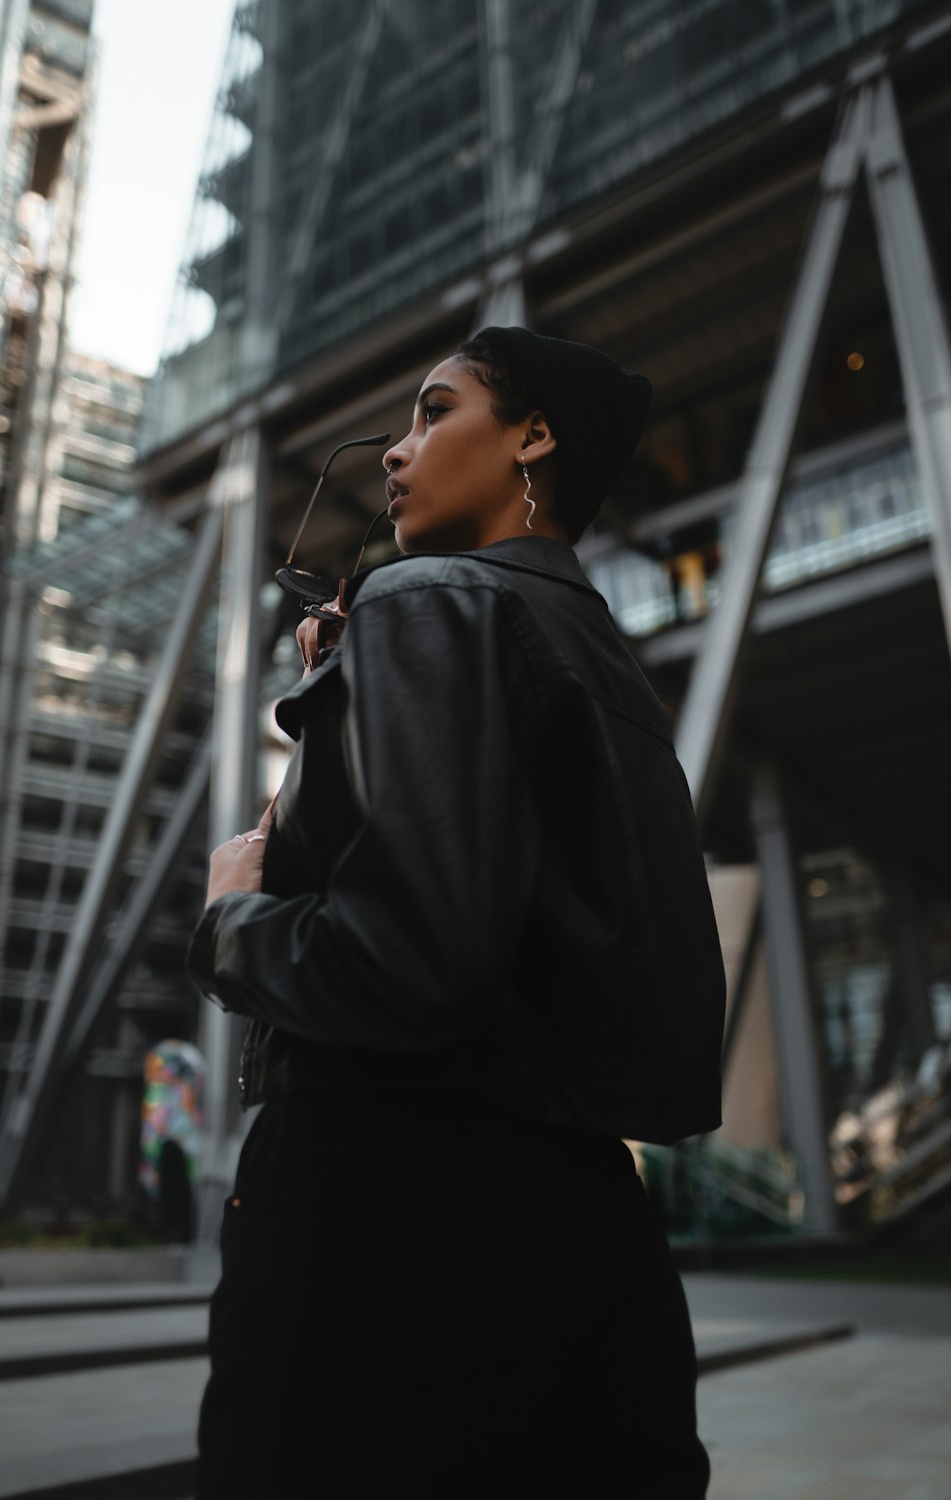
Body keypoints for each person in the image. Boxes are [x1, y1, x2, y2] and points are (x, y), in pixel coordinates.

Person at [187, 325, 726, 1498]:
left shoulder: (425, 602)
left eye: (434, 412)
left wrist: (233, 914)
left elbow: (404, 966)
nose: (395, 452)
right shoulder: (602, 660)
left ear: (531, 436)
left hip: (383, 1242)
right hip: (585, 1232)